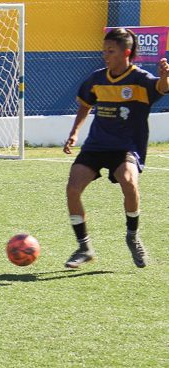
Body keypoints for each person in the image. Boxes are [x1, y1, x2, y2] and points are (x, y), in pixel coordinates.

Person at [62, 28, 168, 269]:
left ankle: (132, 236)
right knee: (72, 187)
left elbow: (161, 88)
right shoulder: (97, 78)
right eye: (104, 51)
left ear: (126, 53)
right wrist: (75, 131)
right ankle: (84, 246)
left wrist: (164, 76)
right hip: (97, 145)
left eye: (110, 51)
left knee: (128, 181)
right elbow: (85, 105)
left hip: (126, 147)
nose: (105, 55)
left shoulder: (140, 79)